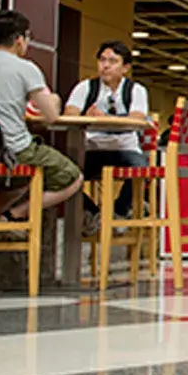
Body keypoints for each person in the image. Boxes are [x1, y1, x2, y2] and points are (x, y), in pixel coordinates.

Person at [0, 10, 80, 222]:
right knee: (73, 177)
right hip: (11, 150)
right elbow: (51, 117)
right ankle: (12, 215)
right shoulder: (25, 69)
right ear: (19, 39)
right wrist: (55, 101)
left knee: (22, 178)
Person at [62, 41, 151, 235]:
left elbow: (137, 118)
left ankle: (119, 211)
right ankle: (92, 212)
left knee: (142, 166)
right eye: (102, 60)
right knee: (61, 171)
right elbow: (69, 114)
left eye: (113, 61)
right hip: (91, 150)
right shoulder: (85, 87)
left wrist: (106, 119)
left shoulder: (135, 90)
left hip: (124, 150)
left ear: (125, 68)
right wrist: (86, 116)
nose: (106, 65)